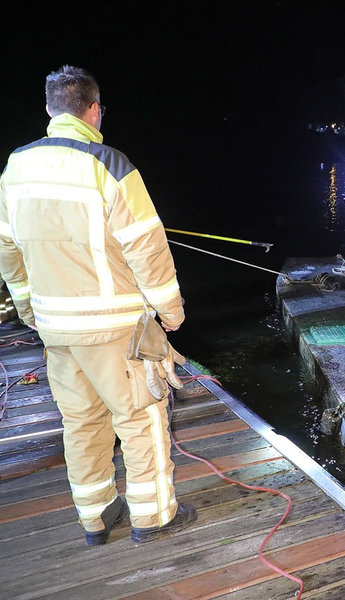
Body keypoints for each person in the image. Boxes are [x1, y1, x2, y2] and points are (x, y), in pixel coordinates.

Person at [0, 65, 196, 545]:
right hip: (116, 332)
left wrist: (29, 310)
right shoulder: (110, 164)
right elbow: (147, 247)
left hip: (56, 331)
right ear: (94, 109)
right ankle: (153, 517)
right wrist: (171, 312)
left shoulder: (15, 167)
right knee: (139, 417)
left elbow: (8, 251)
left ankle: (97, 516)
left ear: (49, 110)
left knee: (81, 422)